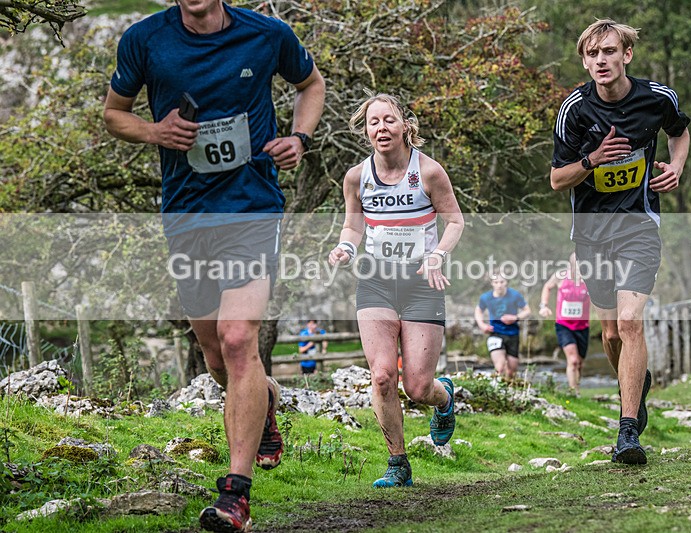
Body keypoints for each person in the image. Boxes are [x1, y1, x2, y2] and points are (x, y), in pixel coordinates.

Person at [102, 1, 325, 531]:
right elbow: (113, 114)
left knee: (236, 338)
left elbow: (310, 84)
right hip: (186, 214)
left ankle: (235, 494)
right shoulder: (144, 40)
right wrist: (153, 132)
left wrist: (300, 138)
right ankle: (265, 397)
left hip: (252, 208)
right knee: (214, 355)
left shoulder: (267, 34)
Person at [550, 19, 691, 464]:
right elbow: (557, 179)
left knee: (630, 323)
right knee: (610, 333)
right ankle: (636, 385)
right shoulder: (574, 109)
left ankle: (627, 431)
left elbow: (679, 131)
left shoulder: (656, 98)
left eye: (609, 52)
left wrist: (677, 165)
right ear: (585, 62)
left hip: (638, 226)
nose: (601, 61)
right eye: (592, 55)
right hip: (591, 233)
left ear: (626, 55)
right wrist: (592, 160)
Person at [328, 93, 464, 488]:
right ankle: (397, 463)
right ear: (365, 130)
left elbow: (454, 221)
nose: (381, 128)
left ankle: (445, 398)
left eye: (389, 120)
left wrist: (437, 254)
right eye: (374, 122)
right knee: (383, 376)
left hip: (423, 282)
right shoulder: (357, 176)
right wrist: (345, 247)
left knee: (418, 387)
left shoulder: (430, 172)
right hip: (376, 281)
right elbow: (353, 226)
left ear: (405, 125)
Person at [539, 253, 591, 393]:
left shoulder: (590, 279)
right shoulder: (561, 276)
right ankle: (574, 391)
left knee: (579, 363)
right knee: (573, 360)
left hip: (582, 326)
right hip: (564, 325)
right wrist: (544, 306)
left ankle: (576, 385)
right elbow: (547, 287)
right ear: (570, 264)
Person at [474, 272, 532, 379]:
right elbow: (478, 310)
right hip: (495, 332)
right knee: (500, 367)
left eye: (502, 282)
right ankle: (497, 389)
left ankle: (509, 390)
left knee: (512, 370)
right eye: (496, 282)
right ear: (492, 283)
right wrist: (481, 324)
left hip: (512, 333)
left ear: (506, 283)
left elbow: (527, 310)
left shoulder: (515, 295)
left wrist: (515, 317)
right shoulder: (486, 297)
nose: (499, 285)